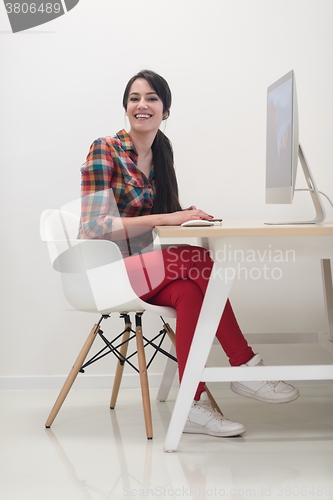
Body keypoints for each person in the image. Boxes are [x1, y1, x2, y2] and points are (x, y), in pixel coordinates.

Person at [78, 69, 300, 438]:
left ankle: (193, 404)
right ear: (125, 107)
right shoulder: (105, 149)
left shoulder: (162, 150)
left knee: (190, 291)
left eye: (151, 98)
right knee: (197, 261)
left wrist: (191, 219)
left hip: (144, 268)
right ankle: (245, 365)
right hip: (108, 270)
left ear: (165, 110)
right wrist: (169, 217)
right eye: (134, 98)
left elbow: (162, 221)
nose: (142, 105)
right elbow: (93, 227)